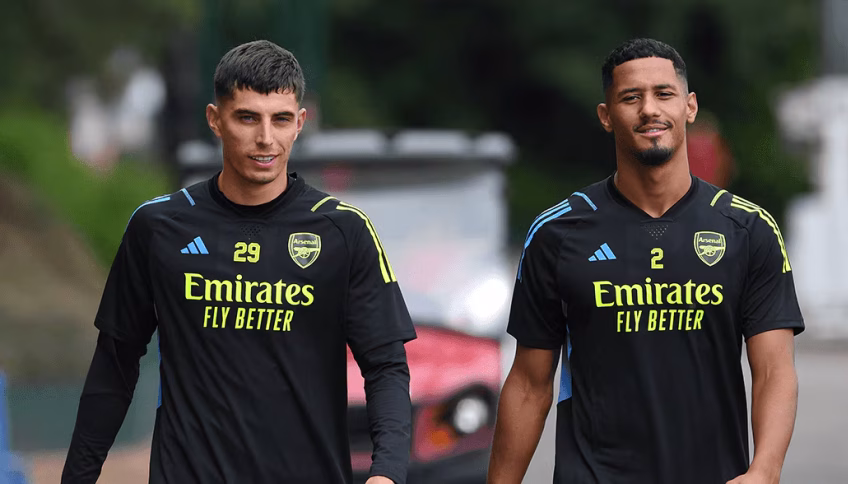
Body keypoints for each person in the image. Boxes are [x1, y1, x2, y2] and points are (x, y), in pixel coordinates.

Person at [62, 40, 416, 484]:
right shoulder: (158, 227)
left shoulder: (345, 231)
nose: (265, 138)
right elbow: (114, 364)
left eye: (281, 119)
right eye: (247, 117)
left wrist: (387, 474)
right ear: (215, 119)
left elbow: (386, 366)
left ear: (300, 123)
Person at [488, 38, 803, 484]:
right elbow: (528, 385)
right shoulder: (557, 233)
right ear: (606, 116)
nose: (649, 109)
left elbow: (773, 370)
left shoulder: (749, 231)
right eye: (631, 98)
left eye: (664, 94)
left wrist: (765, 470)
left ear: (689, 107)